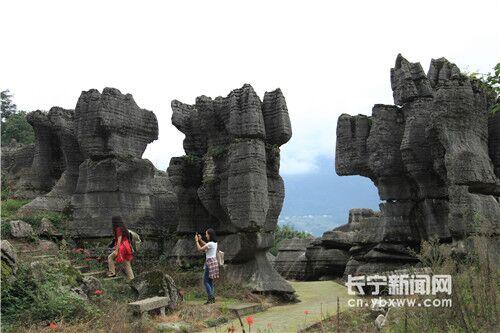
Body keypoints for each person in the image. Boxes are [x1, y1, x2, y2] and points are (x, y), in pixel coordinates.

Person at [195, 228, 219, 304]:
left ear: (209, 235)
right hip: (214, 262)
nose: (206, 235)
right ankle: (212, 298)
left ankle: (210, 298)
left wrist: (196, 240)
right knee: (210, 281)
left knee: (205, 281)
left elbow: (200, 249)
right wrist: (200, 240)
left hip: (209, 263)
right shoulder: (215, 243)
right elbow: (206, 245)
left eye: (206, 234)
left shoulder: (210, 244)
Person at [107, 216, 134, 280]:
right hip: (126, 246)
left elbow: (119, 240)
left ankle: (112, 273)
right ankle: (132, 279)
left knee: (110, 257)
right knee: (127, 264)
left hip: (122, 247)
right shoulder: (123, 228)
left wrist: (116, 250)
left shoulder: (118, 229)